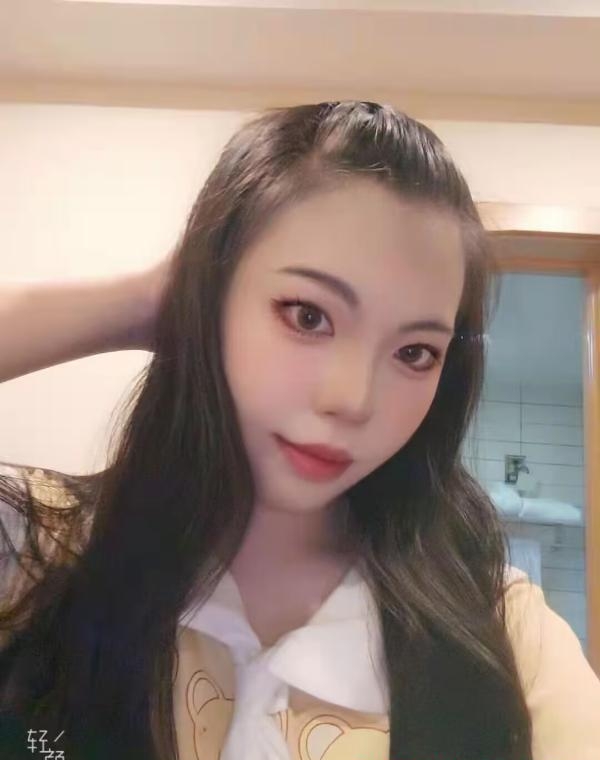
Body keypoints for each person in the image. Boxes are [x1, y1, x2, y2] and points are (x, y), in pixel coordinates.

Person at [0, 101, 599, 760]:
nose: (353, 400)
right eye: (307, 316)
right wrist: (140, 302)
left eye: (414, 352)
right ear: (213, 297)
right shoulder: (37, 553)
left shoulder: (504, 627)